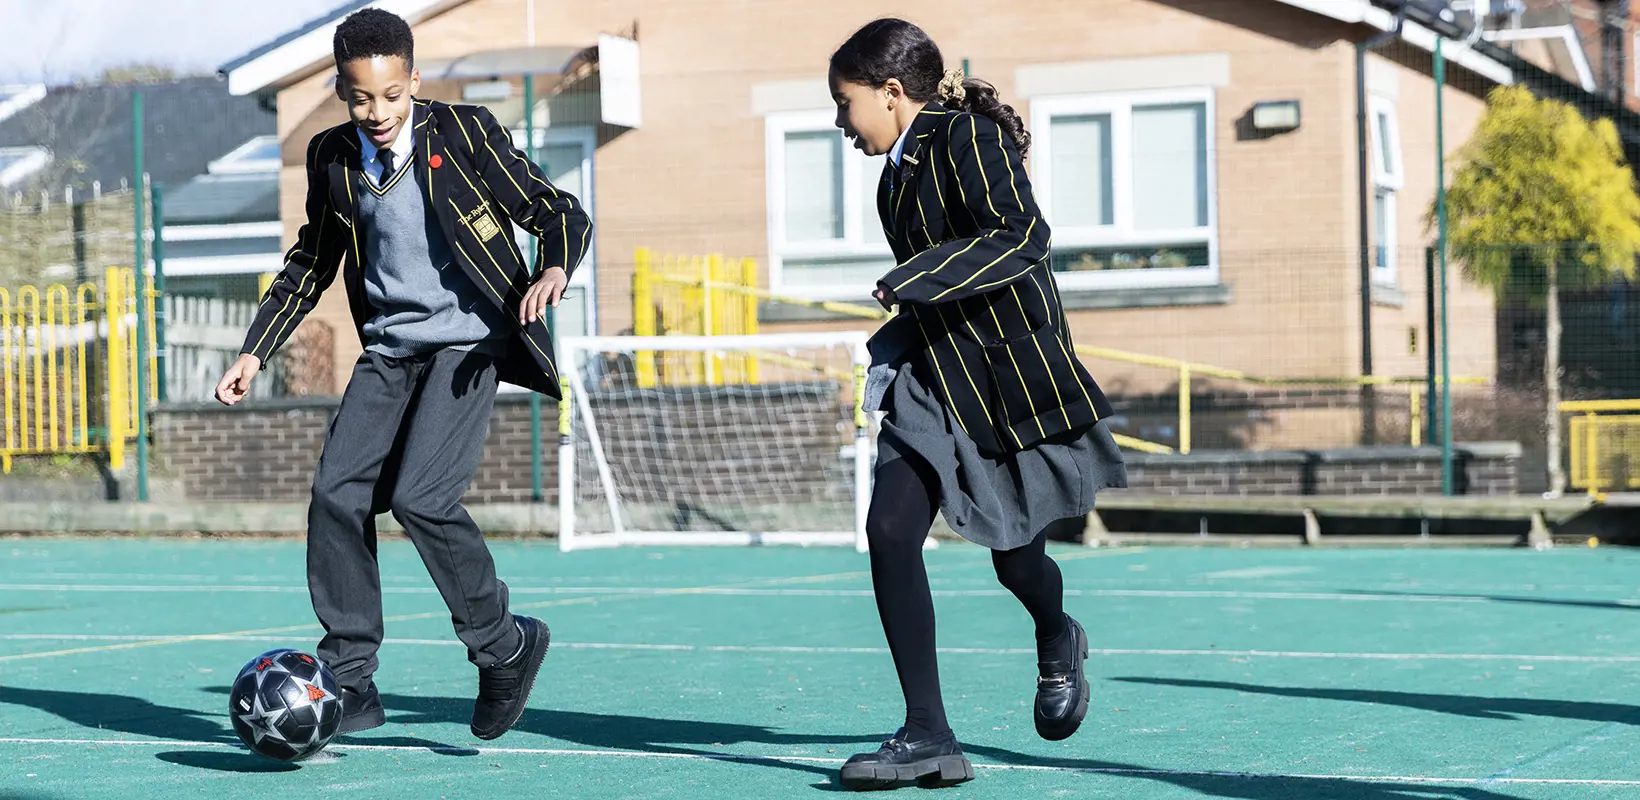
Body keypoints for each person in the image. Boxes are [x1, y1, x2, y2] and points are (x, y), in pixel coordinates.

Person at [213, 7, 590, 742]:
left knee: (422, 496)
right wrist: (255, 349)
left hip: (468, 343)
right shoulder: (333, 157)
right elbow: (311, 262)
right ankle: (351, 680)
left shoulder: (466, 131)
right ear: (341, 90)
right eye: (361, 97)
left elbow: (556, 210)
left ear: (413, 81)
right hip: (389, 351)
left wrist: (553, 265)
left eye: (391, 95)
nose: (378, 112)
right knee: (336, 493)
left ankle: (503, 645)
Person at [826, 17, 1129, 790]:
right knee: (889, 528)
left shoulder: (966, 138)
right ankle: (927, 732)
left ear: (891, 93)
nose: (839, 122)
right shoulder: (893, 173)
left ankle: (1057, 634)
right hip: (930, 376)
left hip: (998, 381)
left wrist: (916, 277)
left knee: (1014, 555)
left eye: (845, 102)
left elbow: (1022, 234)